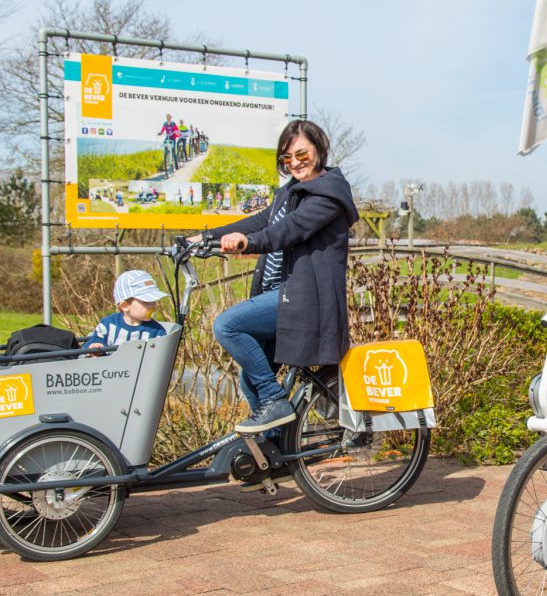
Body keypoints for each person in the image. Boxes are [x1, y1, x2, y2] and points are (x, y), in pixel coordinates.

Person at [199, 120, 359, 433]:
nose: (295, 163)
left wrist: (250, 243)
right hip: (282, 294)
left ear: (318, 150)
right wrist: (203, 238)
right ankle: (275, 452)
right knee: (250, 379)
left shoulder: (328, 195)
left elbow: (288, 230)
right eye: (288, 158)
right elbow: (259, 220)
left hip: (305, 301)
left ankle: (275, 400)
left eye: (302, 154)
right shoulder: (290, 193)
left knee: (227, 325)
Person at [83, 270, 168, 351]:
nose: (152, 306)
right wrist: (95, 349)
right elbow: (94, 343)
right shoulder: (108, 325)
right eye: (146, 302)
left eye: (154, 301)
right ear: (125, 306)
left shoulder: (157, 332)